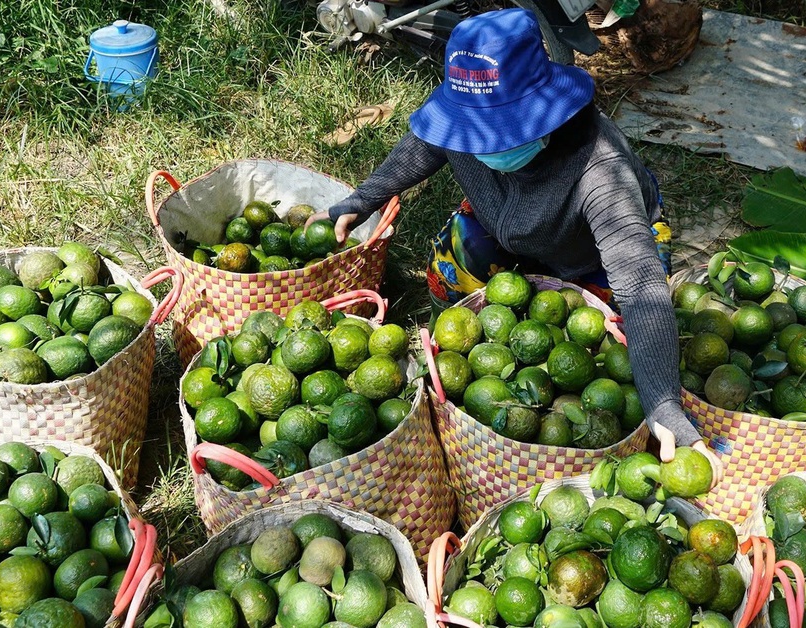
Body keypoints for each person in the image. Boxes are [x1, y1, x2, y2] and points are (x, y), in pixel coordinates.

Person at [308, 8, 721, 481]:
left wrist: (664, 404)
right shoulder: (465, 122)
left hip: (592, 254)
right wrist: (361, 200)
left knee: (611, 351)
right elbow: (425, 146)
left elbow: (640, 284)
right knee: (450, 271)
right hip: (505, 225)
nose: (480, 145)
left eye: (500, 133)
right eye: (471, 133)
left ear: (545, 113)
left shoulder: (600, 170)